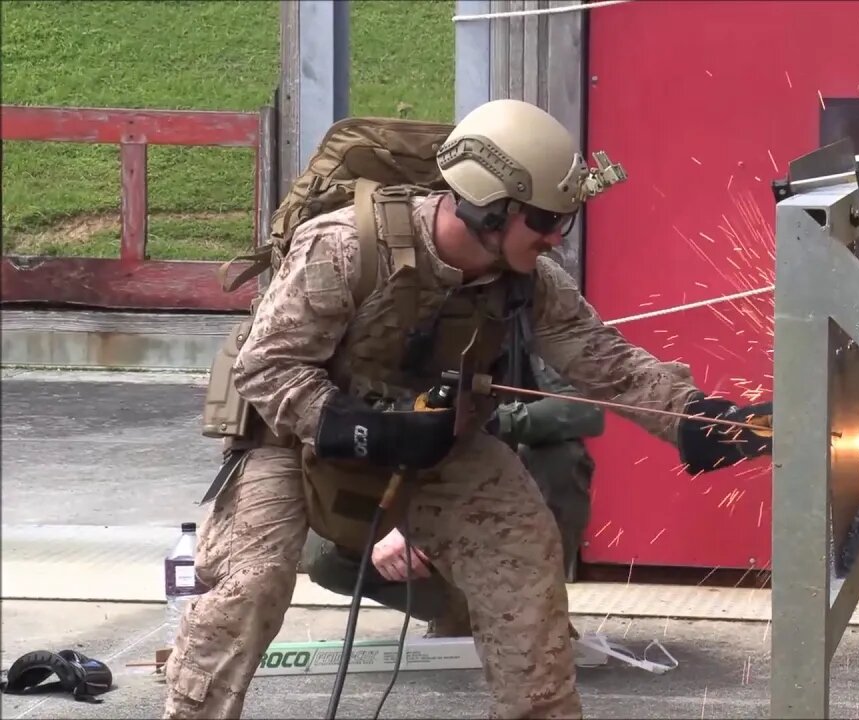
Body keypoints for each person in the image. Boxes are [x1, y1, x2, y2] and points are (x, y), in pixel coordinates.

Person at [163, 98, 772, 720]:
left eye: (565, 218)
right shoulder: (344, 246)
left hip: (438, 442)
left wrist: (696, 418)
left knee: (524, 558)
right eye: (541, 219)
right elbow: (266, 367)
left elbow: (601, 358)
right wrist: (367, 431)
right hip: (292, 436)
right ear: (487, 206)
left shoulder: (528, 277)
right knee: (249, 586)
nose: (556, 235)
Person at [300, 357, 603, 636]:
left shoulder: (525, 308)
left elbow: (586, 408)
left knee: (561, 457)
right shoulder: (388, 320)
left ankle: (535, 606)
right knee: (323, 553)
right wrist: (391, 523)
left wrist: (494, 424)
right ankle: (461, 611)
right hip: (413, 474)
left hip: (500, 481)